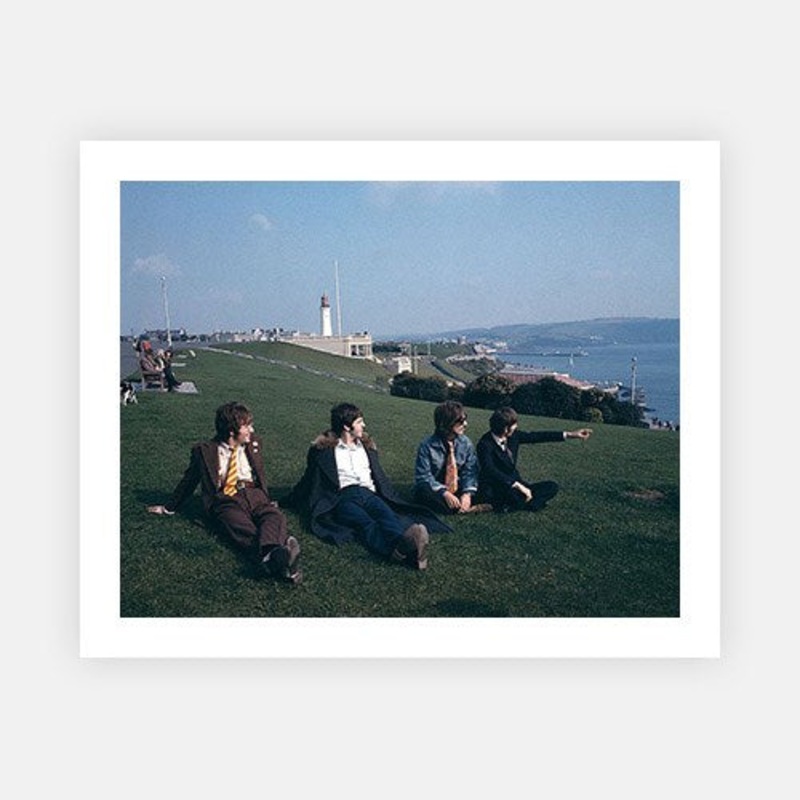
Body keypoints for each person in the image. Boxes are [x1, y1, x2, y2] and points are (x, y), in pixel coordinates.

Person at [146, 401, 302, 584]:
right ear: (231, 430)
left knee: (274, 516)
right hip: (226, 498)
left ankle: (272, 558)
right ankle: (280, 558)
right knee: (237, 524)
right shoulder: (205, 451)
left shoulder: (254, 443)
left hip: (254, 493)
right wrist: (168, 507)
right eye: (247, 425)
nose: (252, 429)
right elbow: (189, 480)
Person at [285, 402, 450, 570]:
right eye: (359, 422)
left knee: (387, 516)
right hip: (343, 498)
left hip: (370, 494)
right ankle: (400, 549)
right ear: (346, 426)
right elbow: (308, 480)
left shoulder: (367, 448)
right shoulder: (324, 451)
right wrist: (285, 501)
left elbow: (380, 478)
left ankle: (403, 545)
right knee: (365, 523)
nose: (364, 425)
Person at [476, 406, 592, 513]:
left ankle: (518, 504)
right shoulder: (485, 444)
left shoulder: (514, 436)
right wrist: (516, 484)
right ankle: (521, 504)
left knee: (552, 487)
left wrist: (571, 435)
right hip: (499, 487)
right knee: (513, 496)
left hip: (519, 485)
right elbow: (490, 470)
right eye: (514, 424)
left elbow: (537, 436)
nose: (516, 427)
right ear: (506, 428)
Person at [413, 400, 490, 514]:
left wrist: (467, 493)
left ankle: (461, 505)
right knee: (423, 492)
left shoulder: (466, 443)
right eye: (460, 422)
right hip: (437, 488)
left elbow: (470, 471)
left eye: (465, 420)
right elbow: (423, 476)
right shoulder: (427, 446)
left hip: (458, 486)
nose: (465, 424)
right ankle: (467, 508)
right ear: (447, 423)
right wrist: (444, 492)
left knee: (488, 489)